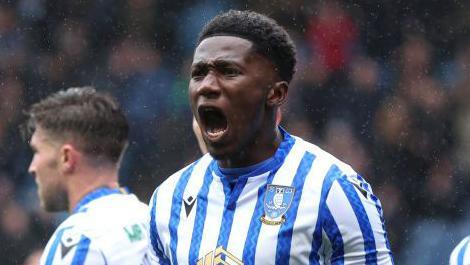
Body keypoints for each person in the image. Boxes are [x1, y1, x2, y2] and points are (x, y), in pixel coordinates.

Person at [148, 10, 393, 264]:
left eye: (229, 71)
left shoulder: (332, 189)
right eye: (198, 73)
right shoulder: (168, 199)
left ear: (276, 94)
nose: (206, 85)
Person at [24, 87, 149, 265]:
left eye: (36, 152)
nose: (32, 167)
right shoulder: (153, 221)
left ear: (67, 158)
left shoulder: (80, 238)